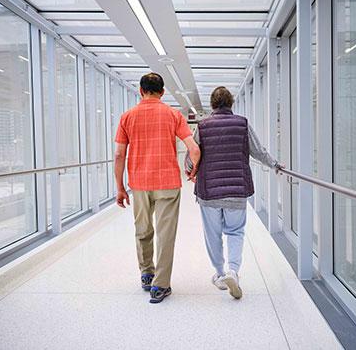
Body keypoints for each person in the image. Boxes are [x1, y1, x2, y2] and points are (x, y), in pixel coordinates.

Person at [186, 86, 283, 299]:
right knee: (235, 231)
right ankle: (233, 271)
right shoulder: (242, 123)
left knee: (212, 234)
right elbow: (258, 150)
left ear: (212, 105)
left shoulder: (202, 126)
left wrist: (189, 170)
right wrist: (274, 164)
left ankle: (220, 274)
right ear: (231, 103)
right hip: (236, 190)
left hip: (209, 192)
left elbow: (192, 153)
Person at [114, 72, 201, 304]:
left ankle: (146, 273)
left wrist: (120, 188)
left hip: (139, 183)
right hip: (168, 183)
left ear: (141, 91)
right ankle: (160, 285)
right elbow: (194, 149)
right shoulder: (173, 115)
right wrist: (193, 172)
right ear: (162, 92)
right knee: (165, 234)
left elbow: (119, 154)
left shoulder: (127, 117)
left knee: (143, 230)